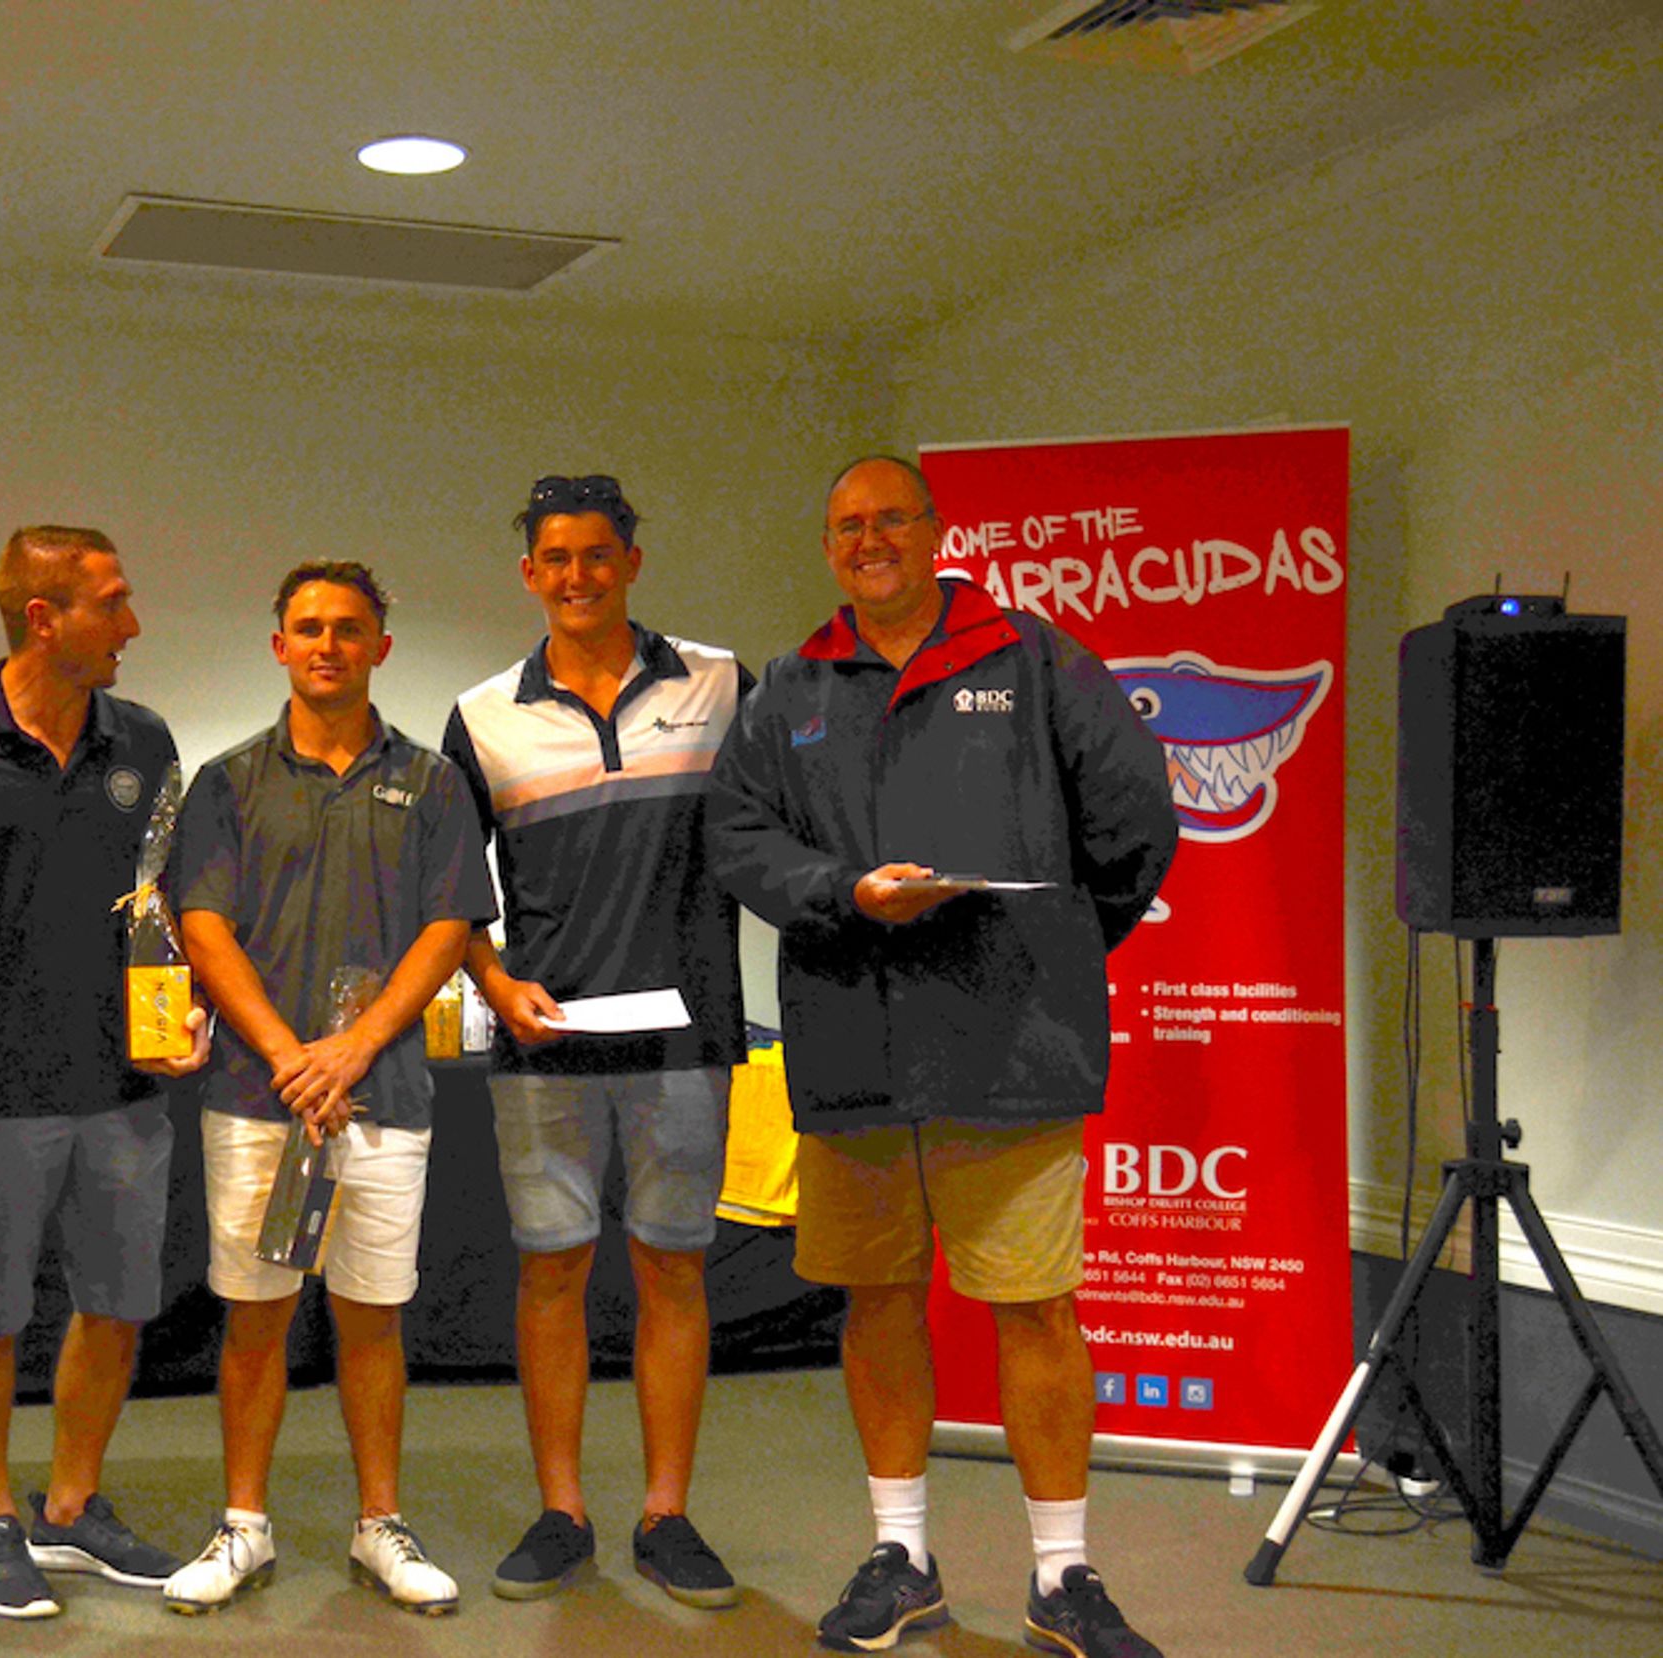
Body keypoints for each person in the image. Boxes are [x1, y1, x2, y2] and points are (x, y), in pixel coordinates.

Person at [705, 456, 1178, 1658]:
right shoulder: (793, 685)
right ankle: (900, 1556)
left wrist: (1053, 943)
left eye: (889, 520)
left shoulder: (1034, 658)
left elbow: (1133, 816)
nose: (867, 541)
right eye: (845, 525)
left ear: (934, 531)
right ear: (828, 546)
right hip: (850, 1042)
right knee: (874, 1300)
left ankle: (1063, 1574)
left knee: (1037, 1306)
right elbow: (737, 834)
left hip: (1008, 1045)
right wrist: (842, 892)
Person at [163, 560, 497, 1616]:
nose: (327, 644)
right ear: (279, 645)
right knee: (256, 1318)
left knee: (372, 1317)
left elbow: (449, 925)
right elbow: (203, 926)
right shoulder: (227, 781)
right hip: (257, 1096)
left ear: (379, 648)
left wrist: (352, 1049)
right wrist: (288, 1054)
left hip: (381, 1094)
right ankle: (244, 1524)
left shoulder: (433, 782)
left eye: (348, 628)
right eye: (307, 627)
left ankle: (378, 1523)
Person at [0, 526, 211, 1621]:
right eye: (111, 603)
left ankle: (71, 1506)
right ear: (43, 617)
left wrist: (184, 1007)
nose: (133, 624)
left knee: (115, 1306)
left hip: (124, 1081)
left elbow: (163, 900)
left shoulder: (145, 740)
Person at [440, 474, 749, 1608]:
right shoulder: (481, 715)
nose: (577, 577)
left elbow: (776, 829)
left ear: (631, 560)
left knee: (673, 1266)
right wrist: (493, 981)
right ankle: (561, 1510)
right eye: (556, 559)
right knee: (553, 1269)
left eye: (597, 554)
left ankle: (667, 1514)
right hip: (546, 1040)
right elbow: (447, 890)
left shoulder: (722, 683)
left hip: (686, 1038)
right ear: (529, 574)